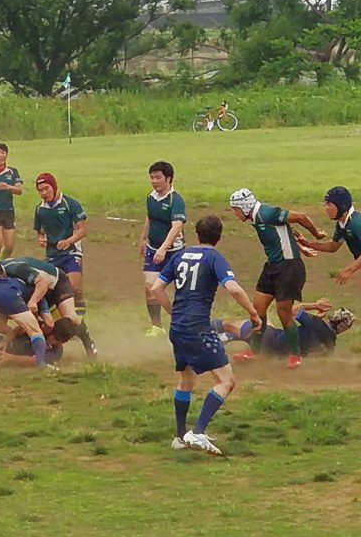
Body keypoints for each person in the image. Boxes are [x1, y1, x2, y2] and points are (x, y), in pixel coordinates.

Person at [149, 215, 262, 456]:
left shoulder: (179, 255)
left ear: (197, 235)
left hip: (178, 327)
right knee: (226, 381)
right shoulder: (214, 257)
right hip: (199, 328)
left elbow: (156, 288)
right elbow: (232, 287)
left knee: (186, 381)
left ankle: (180, 437)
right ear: (218, 238)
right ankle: (197, 432)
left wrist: (173, 312)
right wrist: (253, 312)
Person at [229, 188, 325, 369]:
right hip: (272, 266)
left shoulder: (267, 213)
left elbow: (300, 217)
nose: (235, 214)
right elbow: (283, 234)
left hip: (289, 268)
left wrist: (316, 234)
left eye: (235, 209)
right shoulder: (256, 218)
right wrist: (300, 247)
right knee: (257, 310)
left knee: (283, 312)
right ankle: (255, 353)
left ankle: (295, 355)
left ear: (244, 207)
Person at [0, 256, 98, 357]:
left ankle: (89, 344)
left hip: (56, 284)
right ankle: (33, 342)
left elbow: (43, 282)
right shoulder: (4, 281)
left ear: (0, 276)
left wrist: (33, 302)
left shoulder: (16, 268)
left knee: (71, 319)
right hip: (35, 290)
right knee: (2, 327)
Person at [32, 173, 88, 325]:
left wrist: (68, 241)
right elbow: (39, 231)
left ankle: (79, 324)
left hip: (71, 252)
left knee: (74, 288)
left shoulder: (70, 204)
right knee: (49, 291)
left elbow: (83, 230)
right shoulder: (40, 210)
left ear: (54, 186)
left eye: (46, 189)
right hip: (52, 255)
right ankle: (62, 323)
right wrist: (41, 239)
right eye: (40, 190)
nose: (44, 193)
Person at [214, 299, 353, 359]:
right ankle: (231, 338)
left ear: (335, 317)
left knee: (232, 325)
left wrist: (314, 305)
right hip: (279, 355)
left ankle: (202, 328)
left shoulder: (316, 323)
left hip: (269, 340)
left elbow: (292, 311)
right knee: (270, 325)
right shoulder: (330, 345)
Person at [140, 162, 186, 337]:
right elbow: (150, 218)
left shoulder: (176, 200)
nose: (154, 181)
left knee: (181, 288)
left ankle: (180, 320)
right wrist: (143, 239)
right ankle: (158, 326)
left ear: (169, 178)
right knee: (150, 286)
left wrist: (163, 249)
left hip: (175, 251)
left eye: (158, 177)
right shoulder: (151, 197)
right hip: (153, 249)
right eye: (151, 177)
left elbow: (176, 227)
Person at [0, 276, 53, 368]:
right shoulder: (34, 294)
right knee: (34, 331)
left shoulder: (8, 280)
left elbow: (9, 329)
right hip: (10, 295)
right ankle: (40, 364)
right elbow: (46, 324)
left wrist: (8, 350)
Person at [295, 186, 361, 285]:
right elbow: (332, 246)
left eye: (329, 204)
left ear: (341, 206)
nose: (326, 208)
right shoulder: (342, 224)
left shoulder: (356, 223)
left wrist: (349, 270)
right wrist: (307, 244)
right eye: (325, 204)